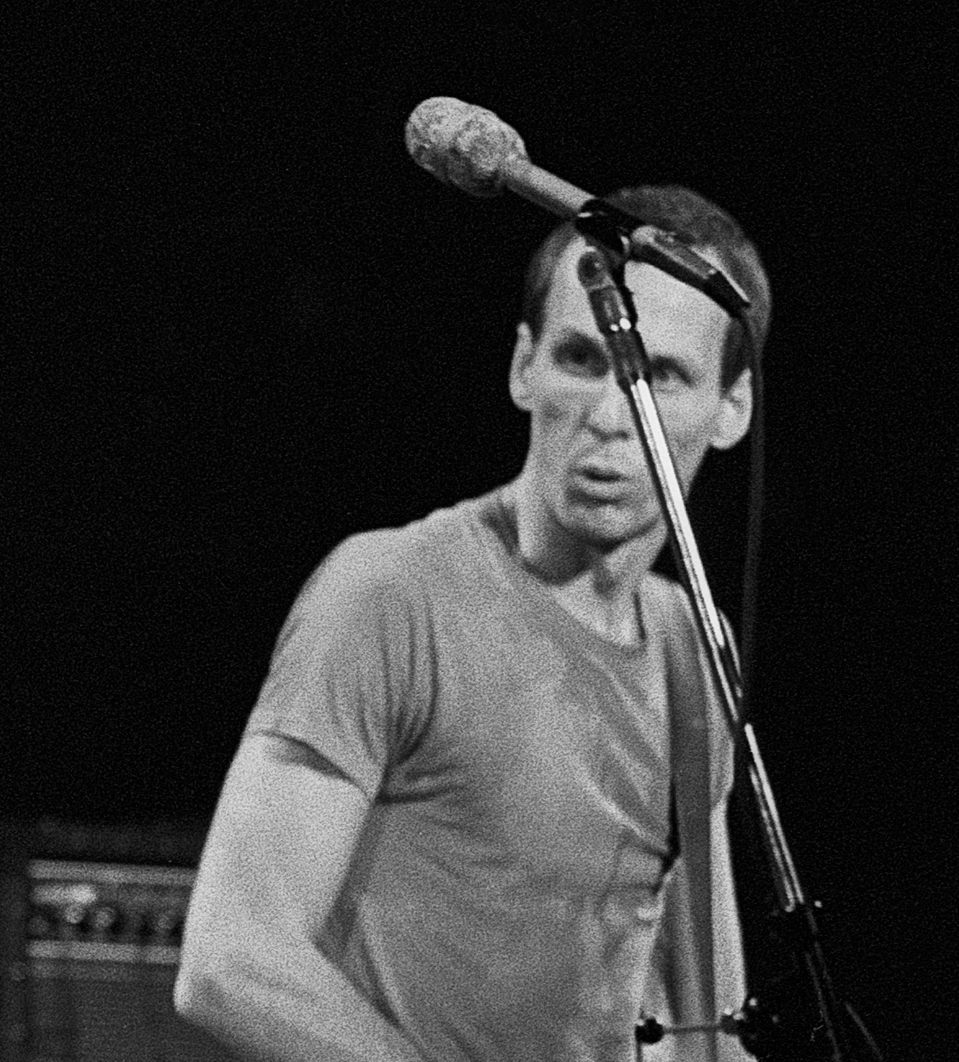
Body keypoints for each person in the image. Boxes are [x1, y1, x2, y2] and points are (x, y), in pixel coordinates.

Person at [175, 186, 771, 1062]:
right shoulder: (390, 594)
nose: (610, 415)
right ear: (523, 366)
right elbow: (232, 961)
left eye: (659, 376)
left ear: (732, 408)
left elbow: (710, 1023)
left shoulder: (693, 647)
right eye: (580, 360)